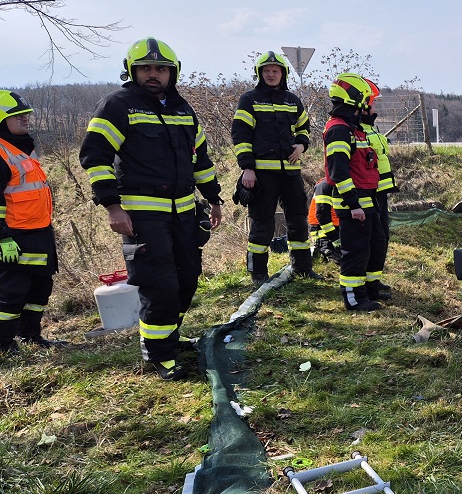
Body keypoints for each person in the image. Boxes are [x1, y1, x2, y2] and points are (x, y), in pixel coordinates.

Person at [79, 38, 223, 380]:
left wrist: (214, 198)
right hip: (142, 213)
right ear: (133, 71)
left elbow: (200, 160)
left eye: (161, 69)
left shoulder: (183, 110)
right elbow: (95, 158)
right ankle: (158, 353)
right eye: (146, 68)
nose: (154, 74)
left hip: (185, 212)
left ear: (172, 73)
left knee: (187, 278)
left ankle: (168, 336)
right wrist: (113, 207)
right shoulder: (117, 105)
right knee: (160, 284)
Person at [232, 51, 315, 282]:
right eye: (266, 71)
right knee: (263, 222)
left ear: (283, 73)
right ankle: (258, 273)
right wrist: (247, 168)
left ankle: (303, 268)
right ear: (260, 74)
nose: (271, 74)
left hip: (290, 173)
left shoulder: (293, 100)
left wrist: (301, 145)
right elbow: (240, 134)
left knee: (298, 219)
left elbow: (304, 127)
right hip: (262, 174)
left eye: (275, 71)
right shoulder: (249, 100)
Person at [0, 91, 63, 353]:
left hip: (38, 232)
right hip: (14, 237)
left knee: (40, 287)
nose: (26, 118)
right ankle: (3, 344)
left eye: (26, 114)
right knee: (11, 293)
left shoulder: (23, 147)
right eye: (18, 115)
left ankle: (31, 336)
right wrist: (2, 238)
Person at [323, 72, 387, 311]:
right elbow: (339, 172)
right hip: (353, 202)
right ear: (356, 99)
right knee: (356, 251)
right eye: (368, 100)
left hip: (367, 199)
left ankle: (369, 290)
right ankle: (353, 298)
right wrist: (353, 204)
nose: (370, 105)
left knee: (375, 244)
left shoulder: (352, 128)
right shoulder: (339, 130)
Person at [360, 82, 394, 300]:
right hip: (368, 191)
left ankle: (373, 282)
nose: (375, 107)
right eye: (371, 103)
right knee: (372, 239)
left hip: (380, 191)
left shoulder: (370, 127)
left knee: (381, 238)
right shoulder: (357, 129)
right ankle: (366, 285)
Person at [307, 176, 341, 263]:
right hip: (322, 229)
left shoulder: (345, 185)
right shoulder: (324, 186)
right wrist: (335, 238)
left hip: (339, 227)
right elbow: (322, 216)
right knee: (338, 259)